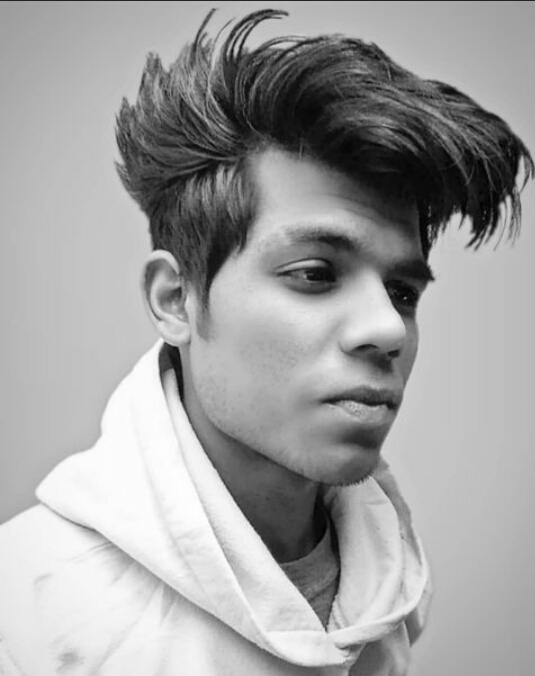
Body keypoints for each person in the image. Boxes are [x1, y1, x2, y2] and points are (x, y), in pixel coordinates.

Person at [0, 7, 532, 676]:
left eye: (403, 292)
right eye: (315, 274)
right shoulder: (26, 621)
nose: (388, 328)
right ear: (175, 300)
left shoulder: (390, 581)